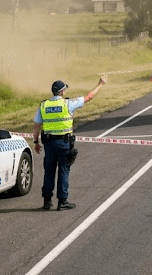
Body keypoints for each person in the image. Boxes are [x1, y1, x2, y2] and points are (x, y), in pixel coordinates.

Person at [33, 75, 107, 211]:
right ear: (62, 92)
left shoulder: (43, 105)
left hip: (49, 144)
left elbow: (36, 125)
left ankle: (47, 201)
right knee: (64, 170)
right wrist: (100, 84)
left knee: (49, 172)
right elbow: (89, 97)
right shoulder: (68, 104)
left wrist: (36, 142)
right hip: (64, 143)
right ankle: (62, 201)